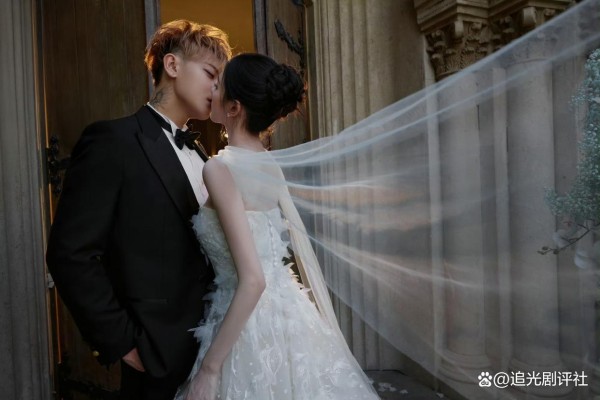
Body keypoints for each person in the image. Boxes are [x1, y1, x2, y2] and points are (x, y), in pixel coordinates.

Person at [175, 53, 379, 400]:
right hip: (291, 316)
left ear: (234, 107)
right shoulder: (269, 164)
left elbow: (253, 279)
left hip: (247, 324)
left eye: (218, 85)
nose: (211, 89)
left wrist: (210, 369)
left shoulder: (219, 170)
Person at [45, 20, 231, 400]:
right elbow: (70, 253)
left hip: (212, 350)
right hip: (155, 357)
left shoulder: (202, 154)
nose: (217, 88)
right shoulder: (113, 141)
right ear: (173, 65)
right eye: (210, 74)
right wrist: (124, 344)